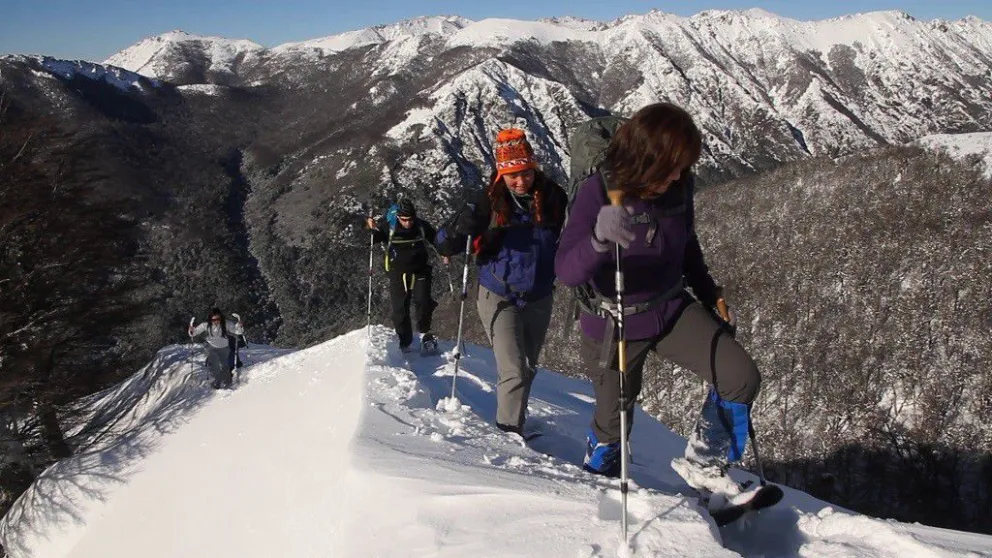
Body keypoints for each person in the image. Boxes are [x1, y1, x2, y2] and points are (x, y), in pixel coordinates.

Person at [554, 103, 761, 508]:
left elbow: (686, 244)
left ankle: (705, 464)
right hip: (614, 323)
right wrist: (598, 240)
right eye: (672, 167)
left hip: (669, 309)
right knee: (613, 423)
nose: (678, 176)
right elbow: (566, 270)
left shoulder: (678, 188)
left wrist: (708, 291)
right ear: (646, 160)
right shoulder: (600, 190)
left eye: (684, 167)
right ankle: (598, 491)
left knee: (740, 376)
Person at [437, 128, 567, 436]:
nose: (520, 181)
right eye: (512, 176)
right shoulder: (488, 202)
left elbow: (565, 237)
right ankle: (508, 434)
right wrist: (459, 228)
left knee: (528, 367)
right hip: (498, 292)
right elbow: (444, 242)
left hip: (539, 294)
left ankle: (515, 422)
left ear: (533, 167)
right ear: (501, 173)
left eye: (525, 173)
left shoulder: (553, 198)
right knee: (513, 369)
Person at [367, 199, 439, 354]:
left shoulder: (421, 226)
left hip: (420, 269)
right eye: (405, 220)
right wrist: (370, 229)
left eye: (411, 219)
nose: (408, 223)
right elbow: (371, 240)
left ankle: (425, 334)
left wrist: (446, 251)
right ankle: (404, 342)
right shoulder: (388, 227)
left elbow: (436, 240)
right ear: (398, 217)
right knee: (400, 308)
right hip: (397, 272)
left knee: (423, 302)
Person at [189, 308, 245, 389]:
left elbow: (237, 331)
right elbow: (194, 333)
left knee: (225, 365)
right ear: (210, 319)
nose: (216, 321)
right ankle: (217, 381)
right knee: (215, 364)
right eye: (214, 319)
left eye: (218, 318)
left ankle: (227, 382)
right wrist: (192, 330)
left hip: (224, 347)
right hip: (211, 347)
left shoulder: (226, 324)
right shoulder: (205, 325)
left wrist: (239, 326)